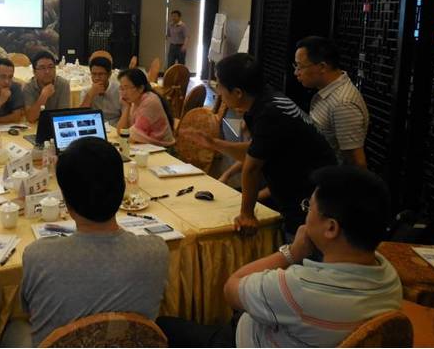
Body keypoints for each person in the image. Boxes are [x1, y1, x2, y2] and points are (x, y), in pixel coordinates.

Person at [157, 166, 402, 347]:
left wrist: (293, 252)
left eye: (309, 207)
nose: (306, 215)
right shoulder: (389, 276)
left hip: (242, 340)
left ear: (331, 228)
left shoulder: (300, 288)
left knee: (163, 326)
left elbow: (231, 288)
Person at [10, 137, 169, 347]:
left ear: (66, 201)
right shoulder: (156, 251)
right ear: (122, 190)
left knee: (13, 327)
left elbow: (28, 311)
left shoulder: (39, 256)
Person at [182, 53, 336, 240]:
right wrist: (213, 143)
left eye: (220, 86)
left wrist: (246, 214)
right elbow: (255, 151)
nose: (218, 91)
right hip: (304, 192)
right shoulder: (264, 101)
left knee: (303, 252)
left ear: (237, 93)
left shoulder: (269, 112)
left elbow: (252, 167)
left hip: (313, 199)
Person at [294, 36, 369, 168]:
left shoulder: (343, 104)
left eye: (300, 67)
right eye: (295, 66)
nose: (296, 72)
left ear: (322, 67)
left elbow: (357, 164)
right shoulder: (326, 91)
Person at [117, 68, 175, 147]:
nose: (123, 93)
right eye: (121, 88)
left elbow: (128, 135)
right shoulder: (135, 101)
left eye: (126, 88)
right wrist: (127, 107)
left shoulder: (150, 101)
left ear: (141, 88)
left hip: (163, 148)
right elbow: (122, 132)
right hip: (147, 146)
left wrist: (124, 134)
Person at [23, 50, 71, 122]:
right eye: (42, 68)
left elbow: (63, 116)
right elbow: (31, 118)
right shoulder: (28, 87)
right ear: (34, 72)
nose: (47, 71)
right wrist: (43, 96)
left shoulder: (63, 85)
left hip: (56, 124)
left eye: (51, 67)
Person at [79, 56, 122, 126]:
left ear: (109, 74)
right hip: (94, 126)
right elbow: (81, 116)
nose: (97, 78)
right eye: (94, 74)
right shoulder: (86, 91)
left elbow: (125, 115)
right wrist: (90, 94)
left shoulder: (119, 90)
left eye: (101, 74)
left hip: (115, 126)